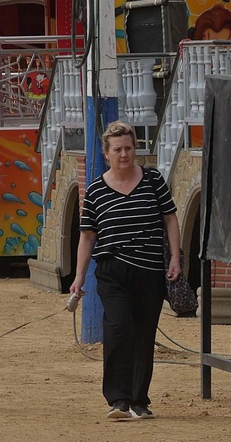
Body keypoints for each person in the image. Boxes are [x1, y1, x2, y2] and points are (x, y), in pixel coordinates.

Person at [69, 120, 181, 420]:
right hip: (112, 271)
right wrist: (79, 277)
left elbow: (170, 218)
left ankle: (139, 400)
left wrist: (175, 257)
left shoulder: (153, 180)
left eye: (128, 148)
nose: (124, 154)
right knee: (119, 329)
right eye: (117, 149)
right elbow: (87, 236)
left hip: (149, 271)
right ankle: (118, 399)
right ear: (107, 153)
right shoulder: (96, 190)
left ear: (135, 149)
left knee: (143, 334)